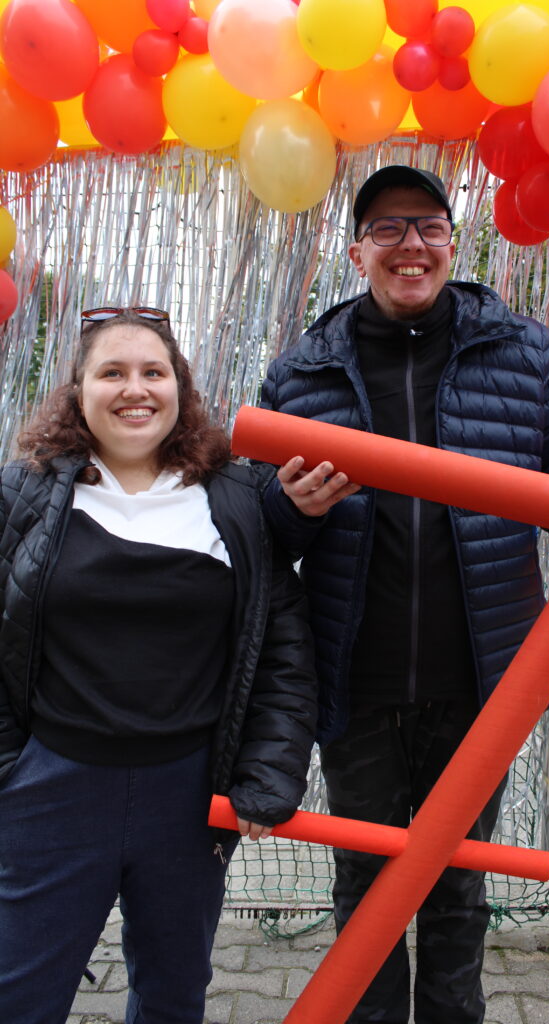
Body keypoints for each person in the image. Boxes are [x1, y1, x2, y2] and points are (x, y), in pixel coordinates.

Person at [259, 165, 549, 1024]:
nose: (409, 244)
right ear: (356, 252)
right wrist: (289, 508)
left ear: (452, 244)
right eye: (386, 228)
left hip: (482, 679)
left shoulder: (520, 351)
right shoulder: (303, 371)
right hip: (355, 680)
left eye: (427, 226)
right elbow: (261, 526)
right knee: (365, 878)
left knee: (457, 884)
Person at [0, 306, 318, 1024]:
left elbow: (282, 647)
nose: (135, 389)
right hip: (51, 789)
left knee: (174, 996)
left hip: (189, 793)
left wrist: (269, 771)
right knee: (20, 995)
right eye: (111, 372)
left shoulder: (232, 498)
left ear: (180, 386)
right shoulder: (22, 495)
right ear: (78, 391)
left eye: (153, 371)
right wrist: (10, 773)